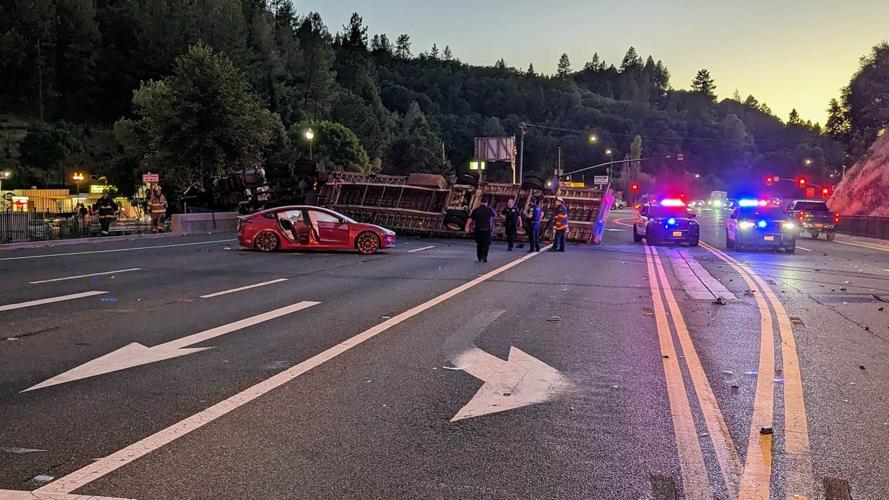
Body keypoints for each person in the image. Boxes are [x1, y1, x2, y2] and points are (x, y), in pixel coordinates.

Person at [465, 198, 496, 262]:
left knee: (479, 243)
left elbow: (470, 219)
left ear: (480, 202)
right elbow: (494, 216)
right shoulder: (490, 210)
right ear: (486, 203)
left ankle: (479, 256)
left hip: (478, 229)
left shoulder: (476, 210)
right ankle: (484, 256)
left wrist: (467, 226)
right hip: (487, 230)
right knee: (486, 243)